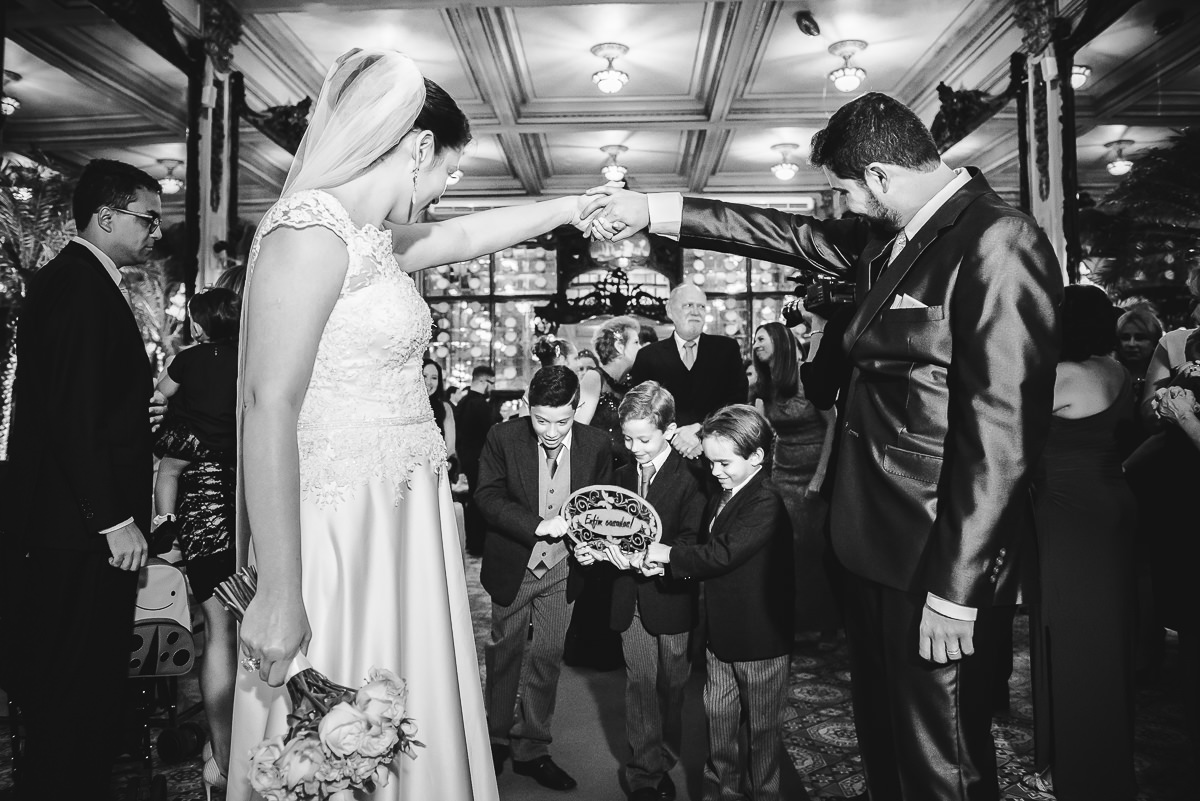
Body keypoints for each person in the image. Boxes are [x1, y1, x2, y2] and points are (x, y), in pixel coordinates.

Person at [586, 91, 1061, 801]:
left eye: (843, 190)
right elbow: (780, 234)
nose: (840, 207)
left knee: (942, 758)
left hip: (934, 553)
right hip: (868, 541)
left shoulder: (997, 238)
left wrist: (957, 591)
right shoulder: (888, 239)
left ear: (878, 177)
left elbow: (1002, 431)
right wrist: (652, 209)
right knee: (885, 736)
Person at [228, 50, 600, 801]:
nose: (444, 190)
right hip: (344, 521)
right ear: (420, 146)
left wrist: (570, 207)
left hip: (402, 514)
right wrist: (279, 589)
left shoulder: (367, 235)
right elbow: (270, 405)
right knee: (338, 714)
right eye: (448, 172)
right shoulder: (308, 229)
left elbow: (468, 238)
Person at [3, 158, 161, 800]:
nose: (156, 232)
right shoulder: (76, 285)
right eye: (147, 219)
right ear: (106, 216)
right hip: (77, 532)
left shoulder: (85, 281)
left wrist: (136, 413)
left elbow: (87, 400)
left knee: (87, 687)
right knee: (73, 688)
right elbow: (70, 414)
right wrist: (112, 519)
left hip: (77, 526)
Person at [641, 405, 796, 801]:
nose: (715, 471)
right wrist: (668, 568)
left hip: (761, 641)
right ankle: (720, 794)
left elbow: (722, 554)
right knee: (719, 726)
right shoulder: (723, 493)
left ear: (757, 457)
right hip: (720, 637)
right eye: (710, 462)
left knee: (762, 735)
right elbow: (706, 554)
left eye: (724, 463)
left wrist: (667, 554)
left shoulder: (766, 501)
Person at [474, 365, 614, 791]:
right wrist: (537, 525)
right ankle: (495, 740)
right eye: (541, 420)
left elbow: (602, 508)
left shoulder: (597, 444)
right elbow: (487, 496)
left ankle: (532, 747)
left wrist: (593, 544)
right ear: (527, 406)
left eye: (562, 421)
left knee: (548, 656)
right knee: (505, 653)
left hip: (564, 569)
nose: (551, 432)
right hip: (514, 565)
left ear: (577, 408)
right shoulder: (503, 437)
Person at [1024, 285, 1136, 800]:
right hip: (1113, 505)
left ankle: (1079, 768)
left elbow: (1010, 438)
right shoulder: (1117, 371)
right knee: (1107, 637)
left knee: (1069, 636)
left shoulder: (1060, 377)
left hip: (1069, 516)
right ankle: (1104, 760)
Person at [149, 286, 242, 793]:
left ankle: (225, 757)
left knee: (218, 629)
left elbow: (158, 395)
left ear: (200, 324)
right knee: (256, 622)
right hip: (248, 496)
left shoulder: (187, 359)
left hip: (202, 502)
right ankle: (265, 736)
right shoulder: (251, 357)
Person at [601, 381, 703, 801]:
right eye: (628, 439)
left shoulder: (691, 477)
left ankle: (667, 750)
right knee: (641, 682)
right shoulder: (620, 476)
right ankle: (644, 771)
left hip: (671, 599)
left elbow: (693, 540)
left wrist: (662, 560)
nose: (635, 448)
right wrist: (598, 551)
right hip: (630, 599)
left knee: (672, 685)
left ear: (669, 430)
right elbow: (606, 528)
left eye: (644, 439)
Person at [751, 321, 837, 638]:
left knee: (812, 550)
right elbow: (761, 430)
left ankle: (823, 623)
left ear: (781, 341)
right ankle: (794, 620)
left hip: (814, 471)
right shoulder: (765, 384)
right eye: (754, 340)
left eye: (762, 338)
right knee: (787, 550)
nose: (756, 344)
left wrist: (821, 475)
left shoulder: (806, 377)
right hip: (783, 472)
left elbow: (833, 423)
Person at [627, 285, 747, 482]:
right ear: (670, 311)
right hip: (666, 462)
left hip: (718, 459)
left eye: (701, 306)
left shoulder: (726, 349)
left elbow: (738, 401)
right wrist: (675, 436)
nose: (695, 311)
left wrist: (700, 429)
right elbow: (640, 410)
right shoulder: (648, 356)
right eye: (688, 305)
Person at [590, 315, 643, 466]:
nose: (640, 348)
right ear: (619, 346)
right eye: (636, 342)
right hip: (601, 468)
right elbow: (578, 430)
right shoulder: (594, 378)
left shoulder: (633, 382)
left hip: (629, 468)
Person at [457, 364, 500, 555]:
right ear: (483, 381)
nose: (492, 387)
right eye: (492, 383)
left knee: (472, 500)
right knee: (480, 500)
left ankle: (471, 542)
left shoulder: (463, 402)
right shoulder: (480, 404)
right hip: (479, 458)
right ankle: (477, 543)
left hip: (466, 457)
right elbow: (490, 432)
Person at [532, 334, 601, 424]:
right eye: (575, 359)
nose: (579, 364)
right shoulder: (567, 392)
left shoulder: (534, 388)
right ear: (562, 360)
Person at [423, 357, 458, 463]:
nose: (428, 382)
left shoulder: (445, 408)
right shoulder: (402, 407)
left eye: (434, 378)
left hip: (437, 467)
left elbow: (450, 448)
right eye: (424, 376)